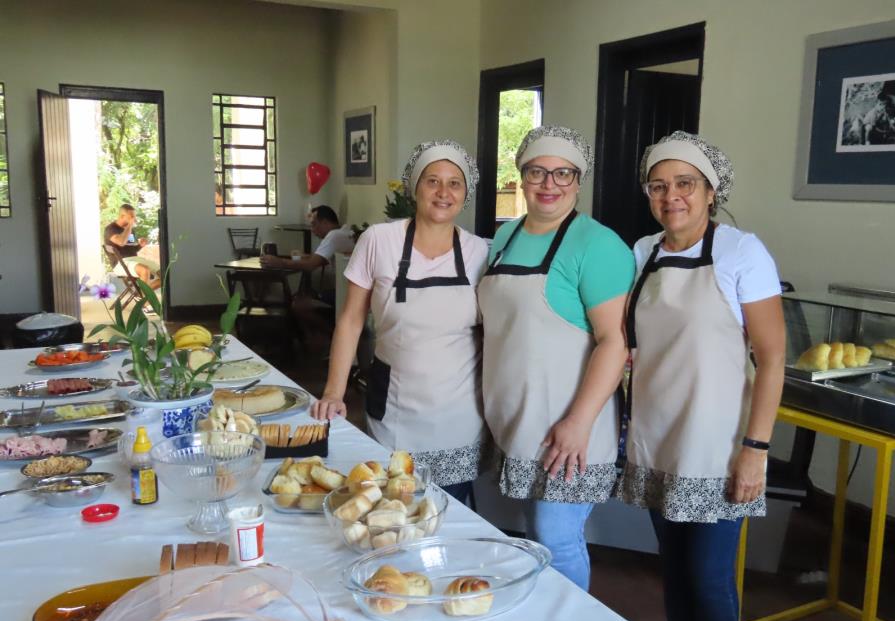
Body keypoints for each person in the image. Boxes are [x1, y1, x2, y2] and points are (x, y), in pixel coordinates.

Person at [617, 131, 785, 621]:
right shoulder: (643, 252)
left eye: (685, 183)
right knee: (675, 565)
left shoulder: (741, 251)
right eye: (659, 186)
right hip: (656, 437)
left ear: (711, 190)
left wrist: (756, 449)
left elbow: (772, 358)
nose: (672, 197)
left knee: (711, 572)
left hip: (717, 444)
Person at [478, 125, 635, 590]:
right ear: (521, 177)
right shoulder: (504, 237)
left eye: (562, 173)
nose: (549, 184)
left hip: (568, 425)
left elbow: (614, 342)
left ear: (578, 181)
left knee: (556, 538)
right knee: (536, 533)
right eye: (537, 172)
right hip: (517, 418)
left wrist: (579, 422)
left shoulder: (598, 244)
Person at [311, 140, 488, 503]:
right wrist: (334, 391)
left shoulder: (480, 252)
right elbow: (350, 321)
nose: (443, 192)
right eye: (432, 181)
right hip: (394, 409)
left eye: (454, 183)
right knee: (389, 509)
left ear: (466, 193)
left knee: (449, 514)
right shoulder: (379, 240)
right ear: (414, 188)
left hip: (460, 414)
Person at [260, 205, 355, 306]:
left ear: (325, 222)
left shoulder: (334, 236)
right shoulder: (343, 233)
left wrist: (279, 262)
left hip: (346, 294)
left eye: (314, 224)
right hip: (348, 290)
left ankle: (328, 322)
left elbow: (310, 265)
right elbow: (322, 259)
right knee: (305, 296)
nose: (312, 230)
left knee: (299, 304)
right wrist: (304, 256)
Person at [104, 204, 160, 289]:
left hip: (134, 259)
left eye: (134, 216)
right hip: (120, 263)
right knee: (144, 270)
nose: (134, 219)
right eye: (131, 216)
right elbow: (121, 242)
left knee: (166, 274)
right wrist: (130, 226)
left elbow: (130, 249)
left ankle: (145, 293)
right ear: (122, 216)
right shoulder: (111, 229)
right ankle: (145, 298)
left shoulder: (130, 230)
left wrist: (140, 246)